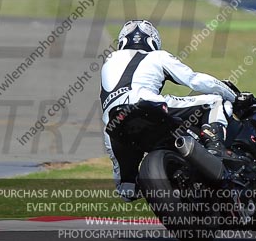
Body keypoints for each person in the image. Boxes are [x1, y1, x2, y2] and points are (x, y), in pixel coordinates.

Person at [100, 19, 236, 201]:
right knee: (214, 101)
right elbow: (194, 80)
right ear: (152, 41)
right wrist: (233, 95)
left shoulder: (108, 61)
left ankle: (134, 184)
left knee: (127, 191)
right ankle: (215, 149)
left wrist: (121, 174)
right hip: (148, 105)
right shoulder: (158, 56)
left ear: (122, 41)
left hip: (114, 126)